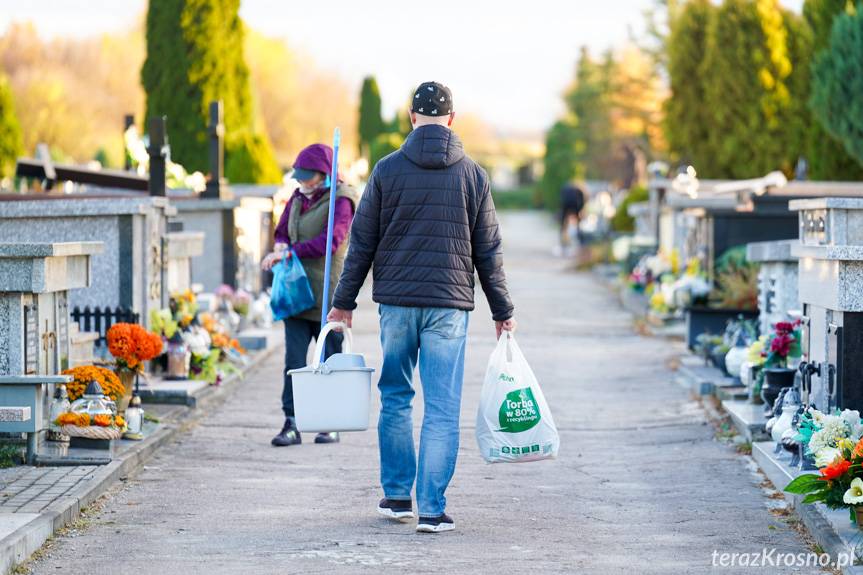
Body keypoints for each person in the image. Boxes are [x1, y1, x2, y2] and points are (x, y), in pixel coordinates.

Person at [327, 81, 516, 533]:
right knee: (442, 407)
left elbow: (361, 244)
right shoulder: (473, 175)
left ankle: (396, 498)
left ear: (411, 117)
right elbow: (488, 250)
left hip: (396, 304)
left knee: (395, 397)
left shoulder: (387, 171)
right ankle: (431, 509)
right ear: (452, 119)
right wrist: (501, 309)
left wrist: (343, 302)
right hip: (448, 306)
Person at [261, 143, 359, 447]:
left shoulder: (342, 200)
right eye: (299, 176)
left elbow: (331, 242)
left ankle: (331, 422)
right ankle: (291, 422)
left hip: (328, 293)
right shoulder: (297, 197)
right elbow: (281, 230)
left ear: (325, 174)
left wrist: (291, 252)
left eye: (309, 177)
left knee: (329, 360)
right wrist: (280, 245)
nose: (302, 182)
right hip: (295, 293)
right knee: (293, 360)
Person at [559, 182, 585, 255]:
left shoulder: (565, 188)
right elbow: (582, 201)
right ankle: (581, 241)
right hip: (575, 205)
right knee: (578, 225)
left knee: (563, 225)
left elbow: (561, 197)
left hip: (566, 205)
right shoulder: (579, 189)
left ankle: (562, 242)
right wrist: (580, 210)